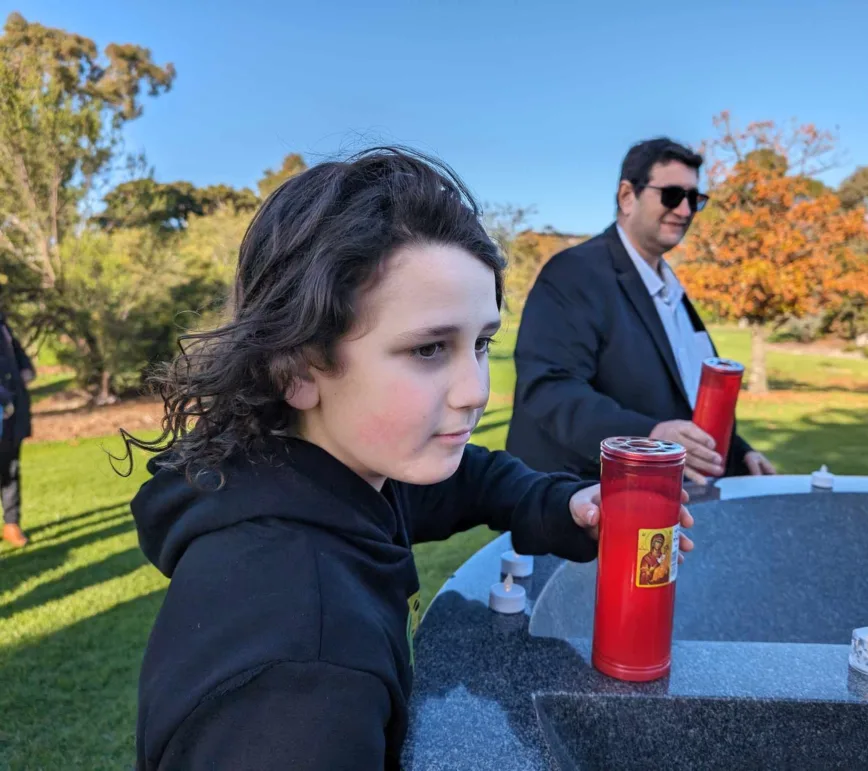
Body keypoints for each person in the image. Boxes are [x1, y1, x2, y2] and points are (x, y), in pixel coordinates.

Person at [122, 148, 695, 771]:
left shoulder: (314, 472)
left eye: (480, 343)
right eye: (428, 349)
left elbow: (470, 480)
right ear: (297, 367)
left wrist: (564, 505)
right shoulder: (302, 679)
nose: (476, 389)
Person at [506, 137, 776, 485]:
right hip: (580, 505)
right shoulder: (574, 272)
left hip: (660, 509)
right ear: (627, 197)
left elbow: (684, 396)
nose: (685, 210)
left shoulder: (671, 290)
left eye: (694, 198)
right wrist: (649, 436)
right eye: (672, 195)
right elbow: (549, 389)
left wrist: (740, 454)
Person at [0, 307, 35, 548]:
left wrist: (26, 370)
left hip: (12, 414)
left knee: (11, 467)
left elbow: (21, 358)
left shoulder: (3, 324)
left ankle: (11, 523)